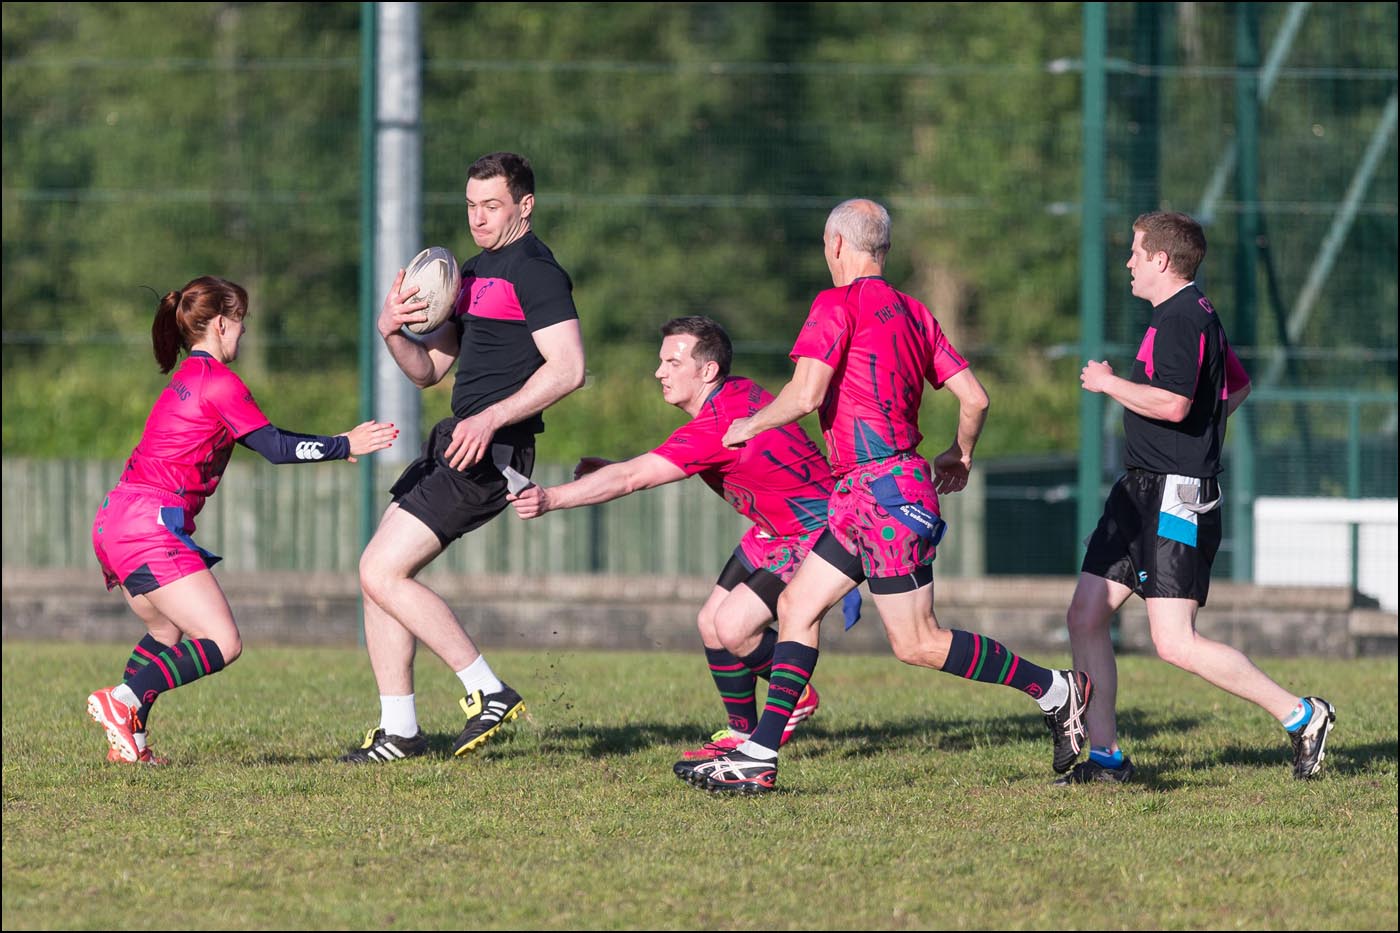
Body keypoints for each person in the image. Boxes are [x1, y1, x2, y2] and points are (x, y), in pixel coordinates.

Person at [684, 198, 1093, 794]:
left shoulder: (835, 304)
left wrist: (749, 424)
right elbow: (975, 398)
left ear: (835, 245)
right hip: (868, 493)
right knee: (796, 606)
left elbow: (805, 394)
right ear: (885, 249)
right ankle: (760, 755)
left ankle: (1055, 690)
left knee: (918, 642)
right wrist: (960, 454)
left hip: (882, 494)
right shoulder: (915, 311)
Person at [1062, 211, 1335, 784]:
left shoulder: (1184, 318)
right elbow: (1237, 386)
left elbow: (1174, 404)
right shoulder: (1186, 313)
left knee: (1174, 642)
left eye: (1136, 252)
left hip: (1175, 495)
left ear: (1161, 260)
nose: (1129, 262)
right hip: (1137, 490)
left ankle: (1302, 715)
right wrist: (1202, 428)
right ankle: (1107, 758)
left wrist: (1109, 384)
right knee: (1085, 614)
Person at [86, 276, 398, 764]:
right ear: (220, 324)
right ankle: (123, 700)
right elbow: (274, 448)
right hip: (148, 525)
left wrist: (336, 444)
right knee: (223, 641)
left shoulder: (189, 377)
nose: (244, 330)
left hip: (115, 520)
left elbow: (265, 435)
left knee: (166, 633)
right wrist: (344, 445)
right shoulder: (218, 381)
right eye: (241, 321)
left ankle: (131, 746)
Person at [339, 151, 586, 764]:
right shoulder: (472, 274)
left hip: (491, 447)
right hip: (456, 438)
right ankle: (399, 730)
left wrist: (492, 417)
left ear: (525, 206)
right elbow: (428, 371)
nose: (478, 217)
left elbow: (569, 368)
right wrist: (392, 330)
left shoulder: (536, 272)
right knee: (378, 577)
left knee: (380, 571)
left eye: (492, 206)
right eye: (472, 205)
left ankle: (487, 689)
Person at [509, 316, 831, 764]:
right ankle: (741, 732)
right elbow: (657, 464)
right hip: (773, 530)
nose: (659, 372)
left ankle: (794, 693)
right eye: (661, 361)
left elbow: (634, 478)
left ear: (708, 370)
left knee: (733, 627)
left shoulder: (715, 426)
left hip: (815, 531)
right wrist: (616, 468)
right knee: (710, 623)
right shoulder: (738, 390)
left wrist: (550, 498)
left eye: (672, 363)